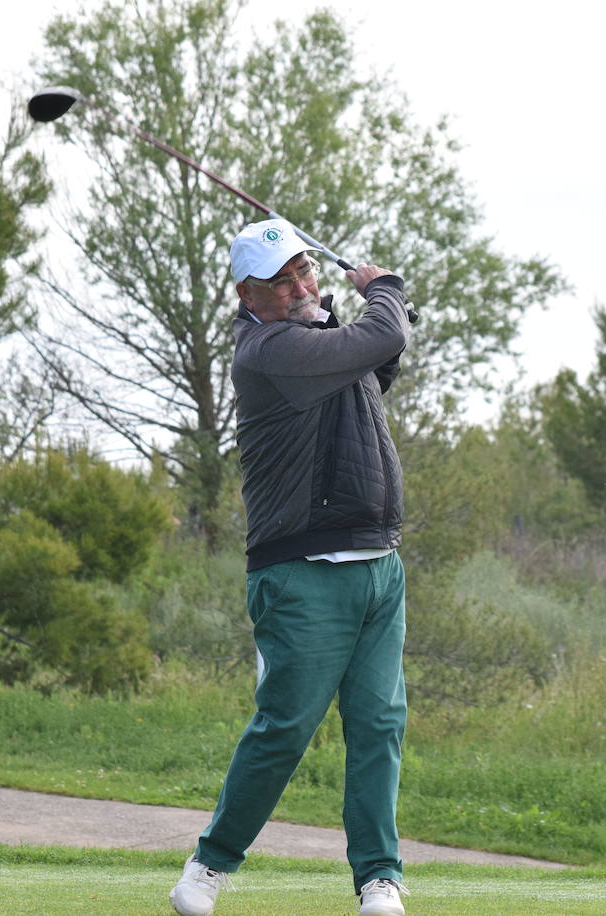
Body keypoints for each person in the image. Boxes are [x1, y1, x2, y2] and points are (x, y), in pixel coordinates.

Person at [169, 218, 413, 916]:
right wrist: (386, 290)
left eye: (306, 271)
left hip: (378, 564)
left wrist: (363, 307)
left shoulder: (312, 336)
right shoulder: (268, 351)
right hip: (304, 571)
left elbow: (378, 363)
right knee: (286, 726)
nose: (302, 285)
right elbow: (382, 337)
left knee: (379, 724)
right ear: (249, 293)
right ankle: (207, 870)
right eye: (284, 281)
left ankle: (379, 880)